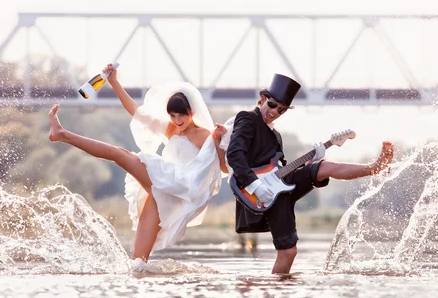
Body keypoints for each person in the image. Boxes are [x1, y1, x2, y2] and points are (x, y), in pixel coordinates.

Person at [48, 63, 228, 262]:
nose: (177, 120)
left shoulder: (205, 136)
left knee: (120, 154)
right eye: (173, 115)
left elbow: (222, 167)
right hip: (162, 190)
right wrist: (114, 82)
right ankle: (141, 286)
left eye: (181, 115)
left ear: (191, 112)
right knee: (138, 261)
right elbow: (136, 111)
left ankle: (62, 134)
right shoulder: (172, 129)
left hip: (179, 184)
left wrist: (219, 140)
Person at [225, 73, 394, 274]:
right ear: (262, 98)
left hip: (280, 184)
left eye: (281, 109)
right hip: (259, 192)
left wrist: (313, 159)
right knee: (288, 252)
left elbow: (279, 167)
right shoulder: (247, 118)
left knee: (324, 167)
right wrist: (255, 185)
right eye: (271, 104)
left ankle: (375, 167)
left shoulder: (276, 135)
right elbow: (234, 154)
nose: (275, 112)